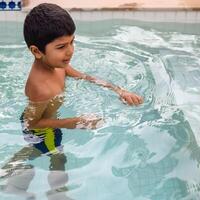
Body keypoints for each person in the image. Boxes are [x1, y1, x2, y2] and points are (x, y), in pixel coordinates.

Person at [21, 3, 143, 155]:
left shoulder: (57, 64)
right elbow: (31, 123)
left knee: (48, 157)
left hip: (49, 119)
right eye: (61, 47)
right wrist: (74, 122)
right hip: (43, 131)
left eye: (72, 42)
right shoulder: (40, 88)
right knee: (56, 161)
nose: (70, 51)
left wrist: (118, 90)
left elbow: (84, 77)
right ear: (37, 51)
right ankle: (13, 167)